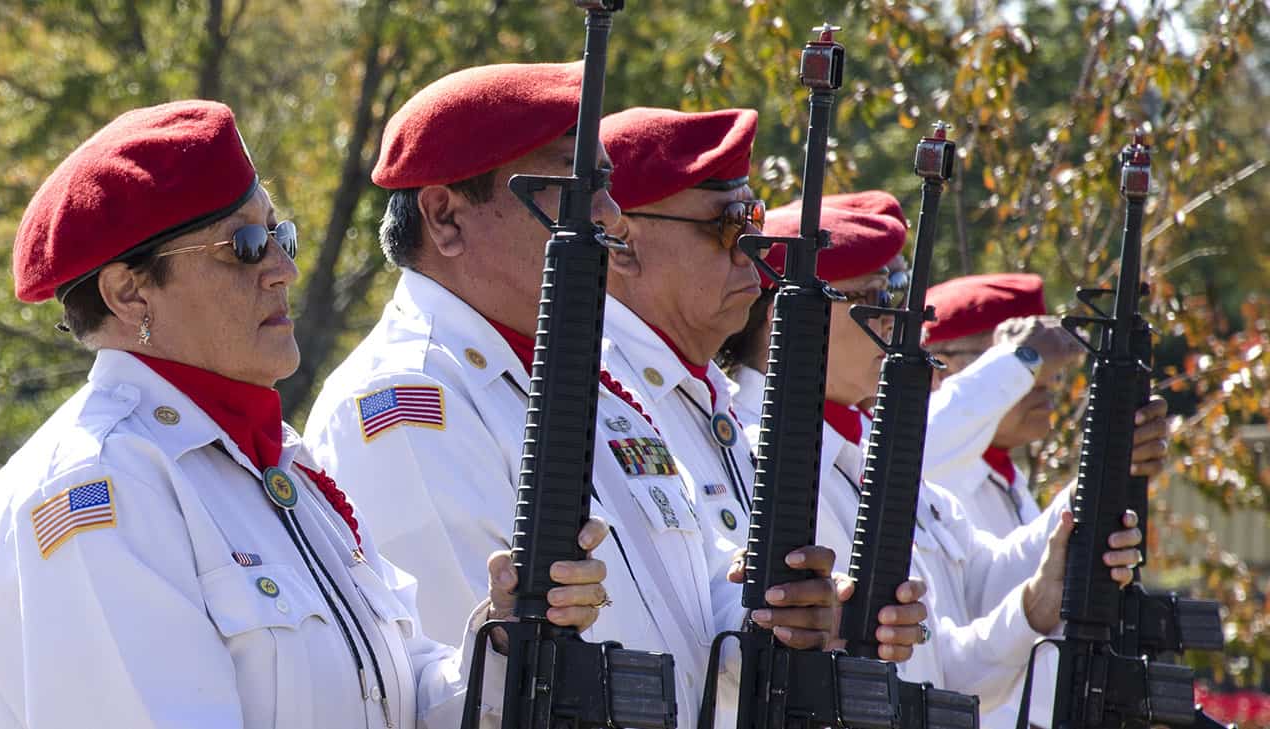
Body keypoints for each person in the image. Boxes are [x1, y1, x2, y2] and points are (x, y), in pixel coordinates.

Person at [303, 64, 925, 729]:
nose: (609, 216)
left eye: (601, 185)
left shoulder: (596, 385)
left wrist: (779, 609)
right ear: (445, 217)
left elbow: (680, 605)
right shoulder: (410, 403)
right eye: (568, 187)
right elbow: (478, 687)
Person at [0, 100, 609, 729]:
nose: (285, 269)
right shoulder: (98, 486)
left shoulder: (272, 461)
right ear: (128, 292)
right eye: (245, 246)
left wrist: (504, 636)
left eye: (281, 235)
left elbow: (397, 695)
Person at [721, 193, 1157, 729]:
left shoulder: (865, 453)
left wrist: (1101, 475)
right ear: (787, 314)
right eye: (873, 296)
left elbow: (947, 654)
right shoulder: (744, 450)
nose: (895, 318)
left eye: (899, 293)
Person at [598, 106, 930, 664]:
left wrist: (832, 618)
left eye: (753, 226)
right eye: (727, 226)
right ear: (624, 243)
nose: (751, 251)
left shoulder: (710, 403)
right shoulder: (597, 395)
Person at [920, 273, 1170, 540]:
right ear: (938, 370)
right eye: (1027, 359)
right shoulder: (932, 470)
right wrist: (1018, 360)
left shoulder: (1007, 479)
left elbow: (1031, 571)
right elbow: (917, 444)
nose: (1046, 380)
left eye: (1047, 363)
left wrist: (1110, 470)